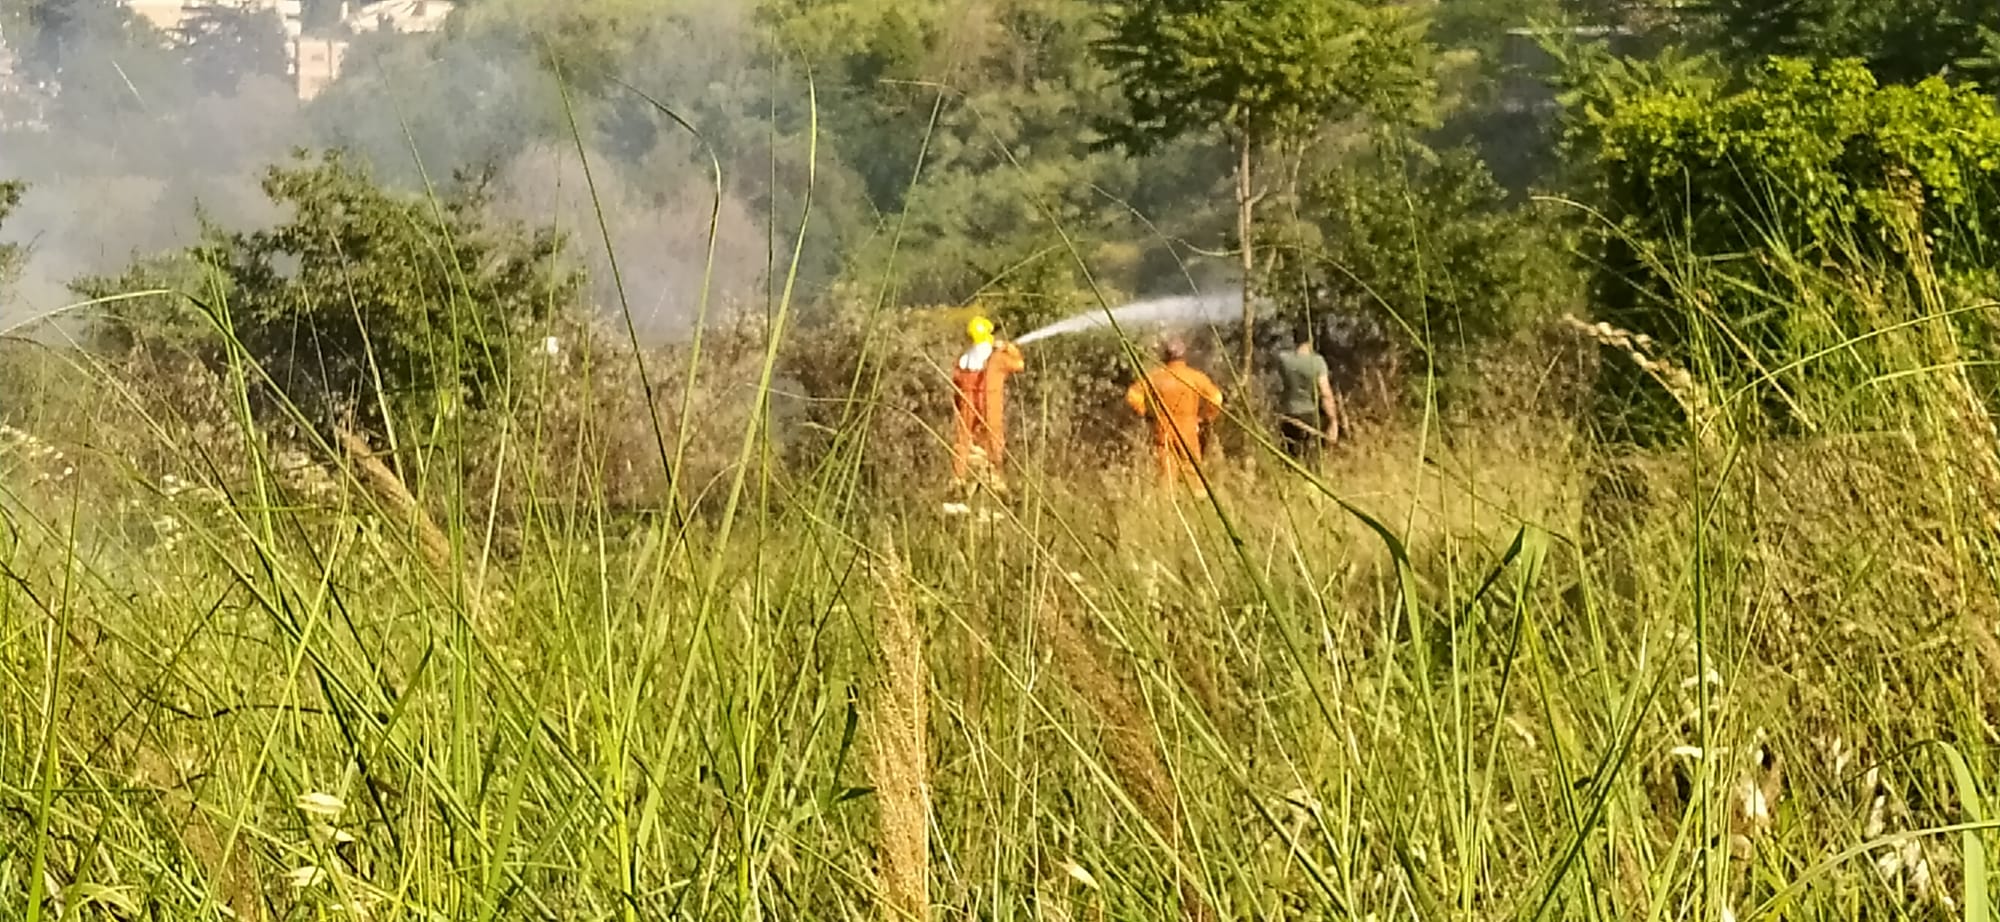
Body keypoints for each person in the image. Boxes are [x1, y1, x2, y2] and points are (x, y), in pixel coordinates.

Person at [1125, 338, 1224, 489]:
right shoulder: (1195, 377)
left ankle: (1167, 508)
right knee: (1193, 474)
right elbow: (1216, 398)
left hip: (1163, 430)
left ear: (1165, 355)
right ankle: (1198, 506)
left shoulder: (1155, 377)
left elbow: (1133, 395)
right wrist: (1204, 417)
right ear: (1184, 356)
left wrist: (1146, 413)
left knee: (1166, 477)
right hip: (1188, 431)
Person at [951, 315, 1026, 489]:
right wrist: (1010, 348)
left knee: (963, 439)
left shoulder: (963, 360)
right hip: (990, 403)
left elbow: (955, 383)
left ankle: (958, 478)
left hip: (966, 404)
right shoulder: (998, 358)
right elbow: (1020, 365)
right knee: (993, 439)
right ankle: (995, 478)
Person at [1275, 321, 1340, 463]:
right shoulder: (1317, 362)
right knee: (1311, 461)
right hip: (1309, 415)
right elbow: (1325, 394)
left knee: (1289, 461)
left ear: (1294, 338)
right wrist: (1333, 421)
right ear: (1310, 339)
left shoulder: (1283, 360)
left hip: (1289, 415)